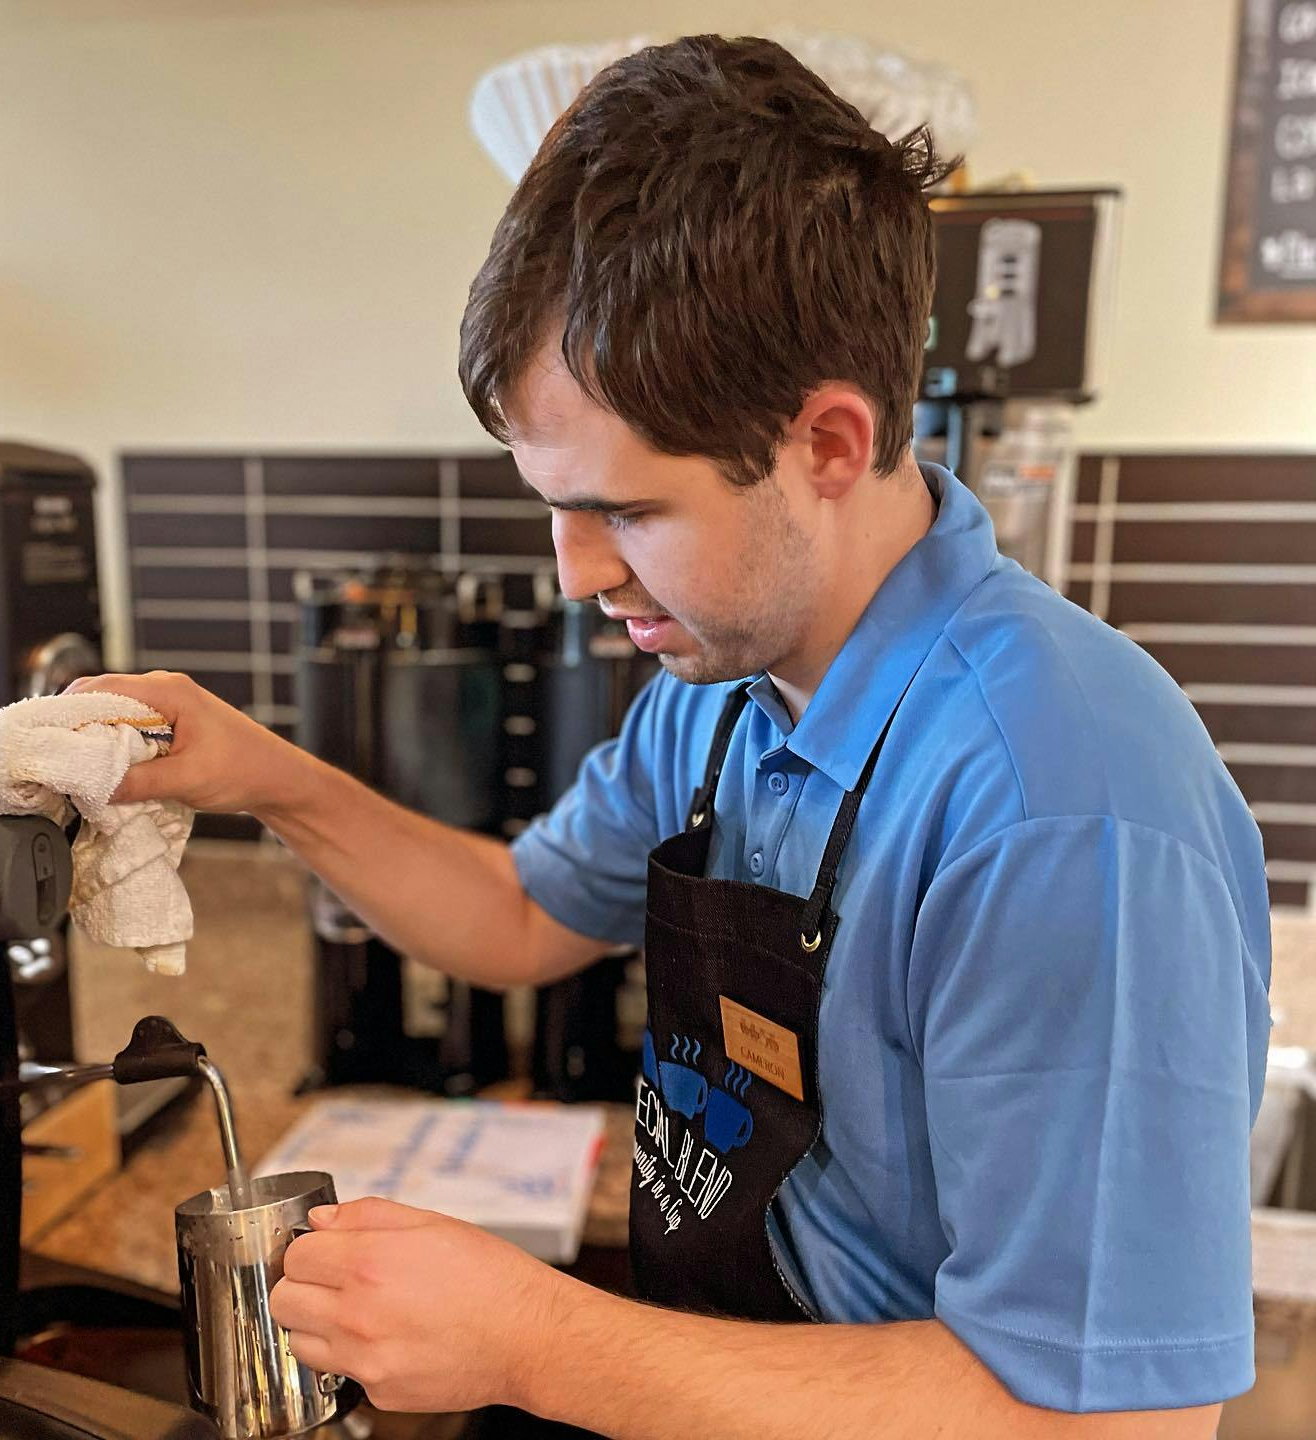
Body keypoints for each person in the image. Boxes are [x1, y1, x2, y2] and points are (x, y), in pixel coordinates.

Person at [74, 35, 1270, 1440]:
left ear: (827, 442)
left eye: (627, 513)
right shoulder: (723, 684)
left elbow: (1112, 1425)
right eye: (554, 505)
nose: (578, 574)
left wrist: (530, 1338)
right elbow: (519, 915)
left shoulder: (1063, 808)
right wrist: (260, 777)